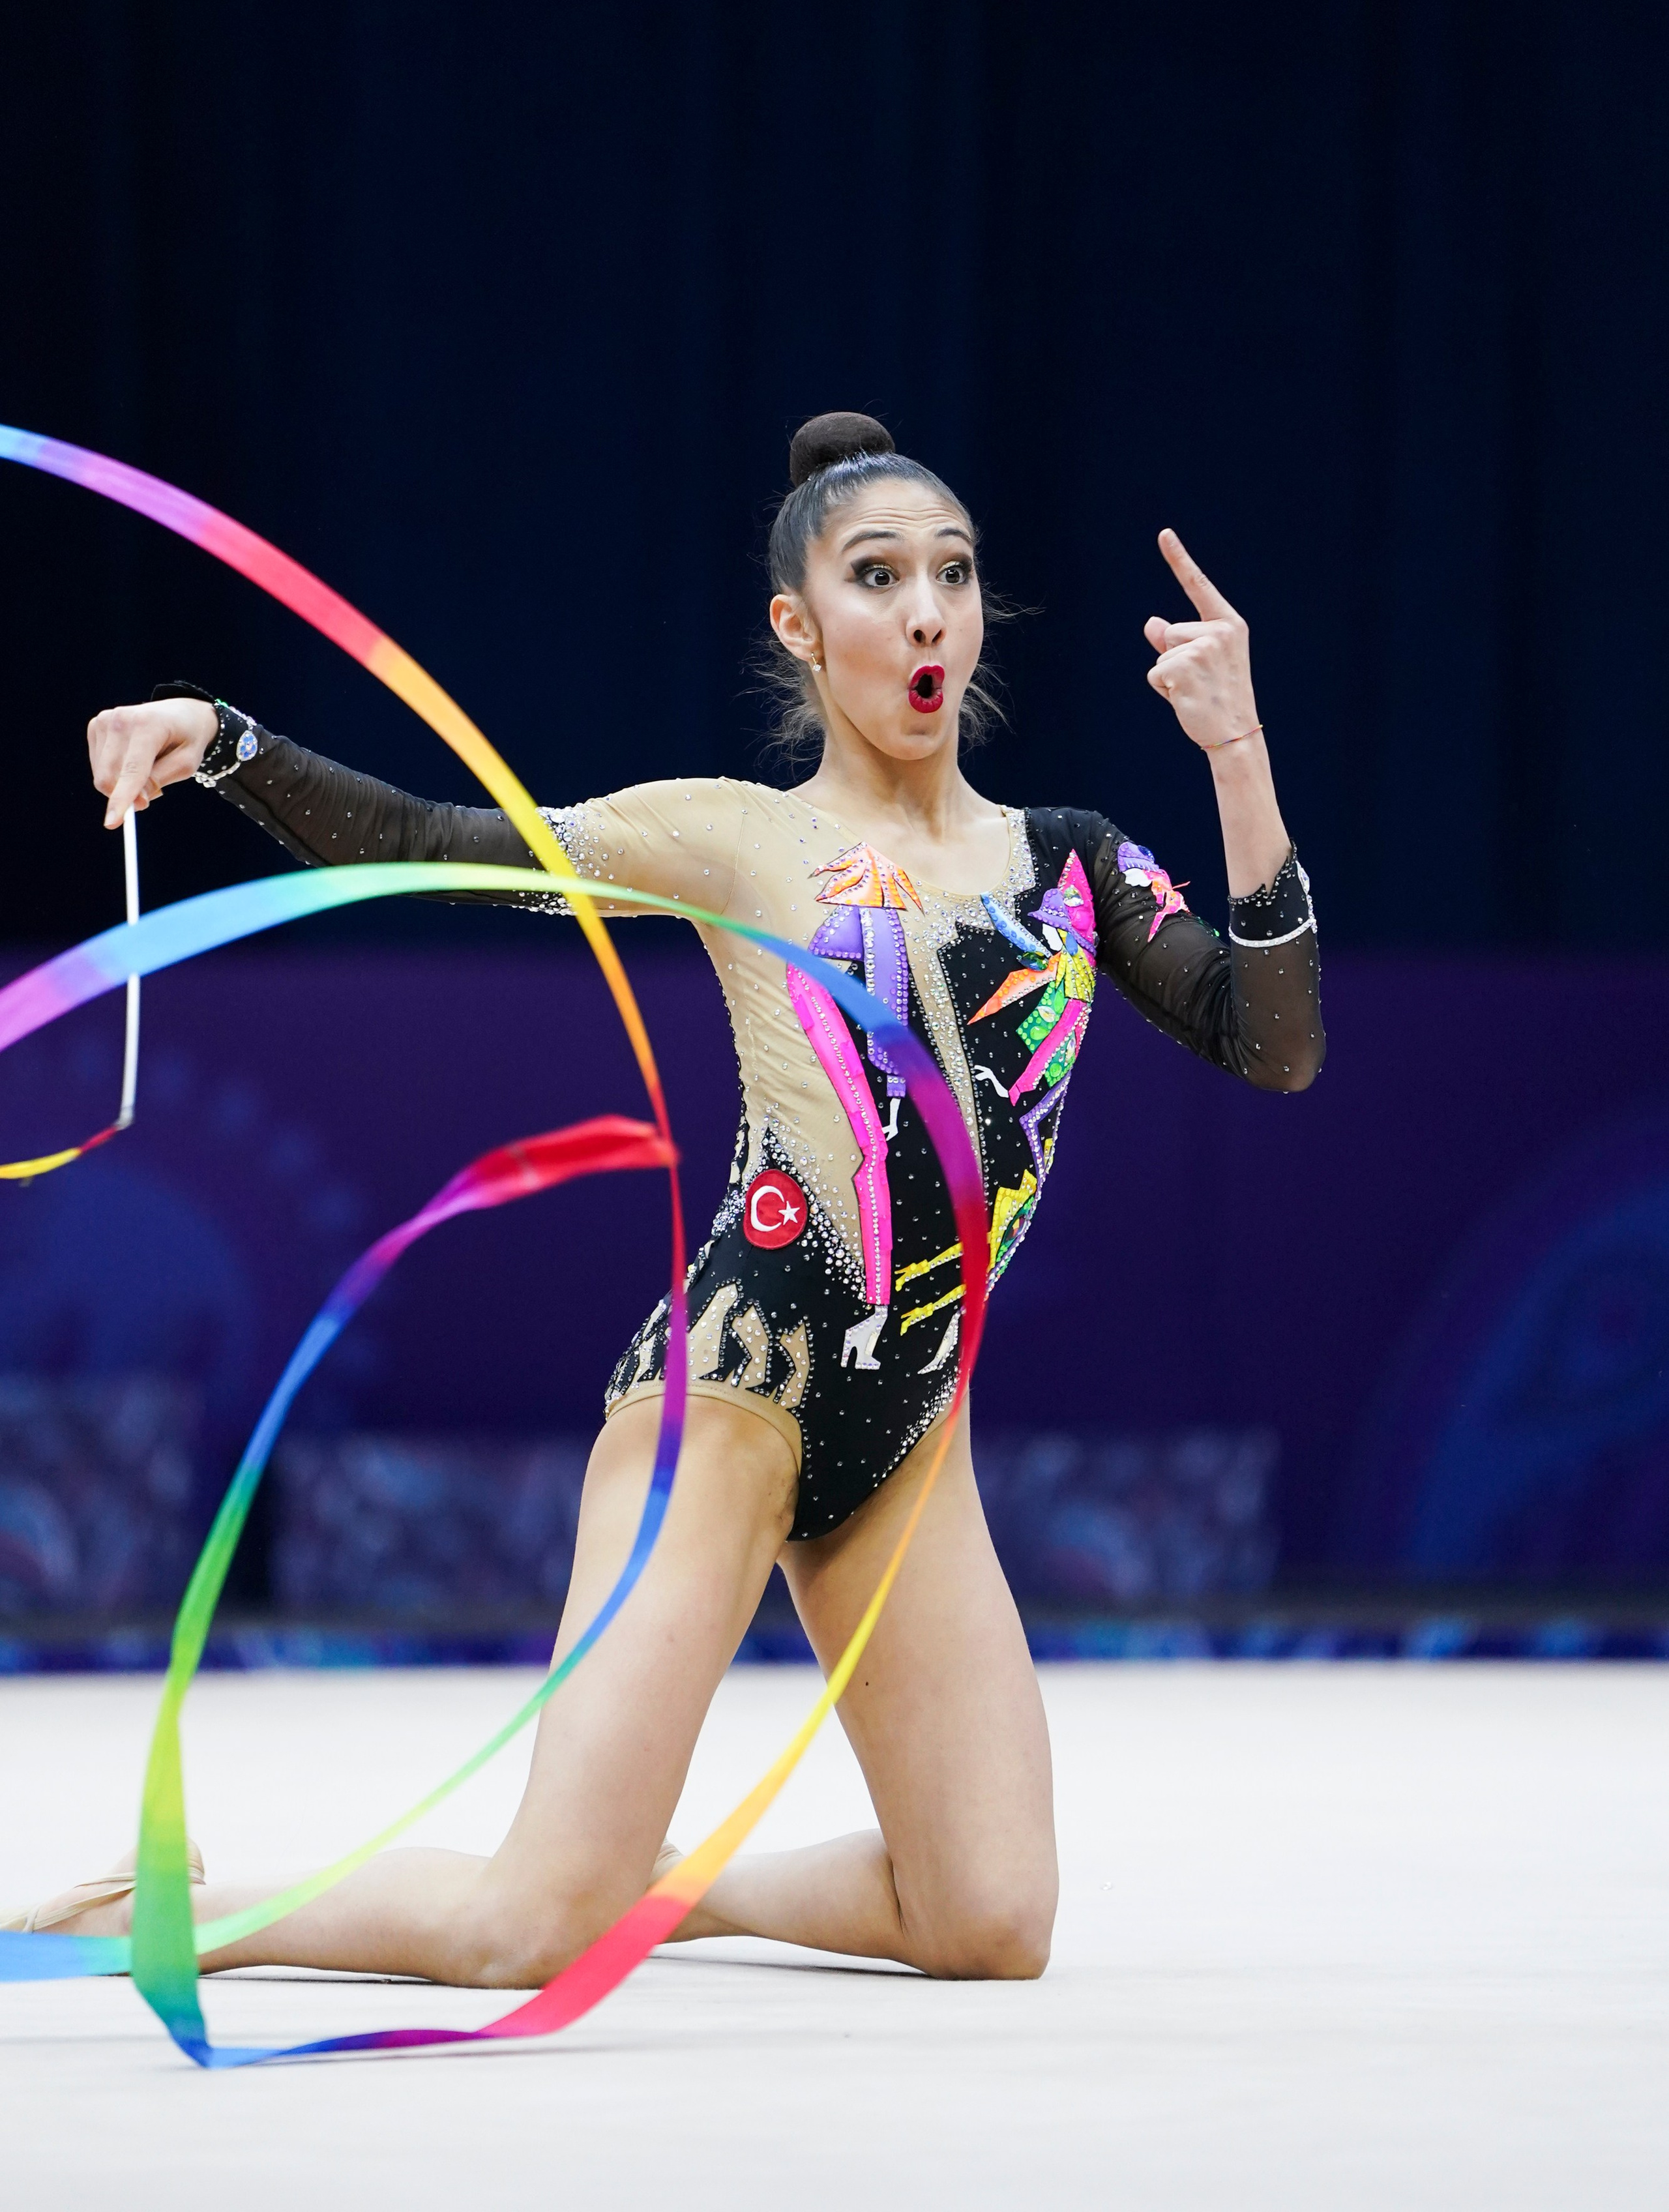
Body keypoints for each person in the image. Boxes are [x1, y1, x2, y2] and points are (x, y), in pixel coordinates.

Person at [35, 411, 1322, 1985]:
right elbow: (451, 849)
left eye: (953, 574)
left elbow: (1272, 1044)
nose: (925, 611)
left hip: (916, 1439)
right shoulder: (737, 836)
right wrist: (226, 738)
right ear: (800, 623)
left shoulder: (1070, 867)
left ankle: (666, 1883)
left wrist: (1237, 755)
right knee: (522, 1930)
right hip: (731, 1404)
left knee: (986, 1920)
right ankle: (155, 1912)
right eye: (876, 577)